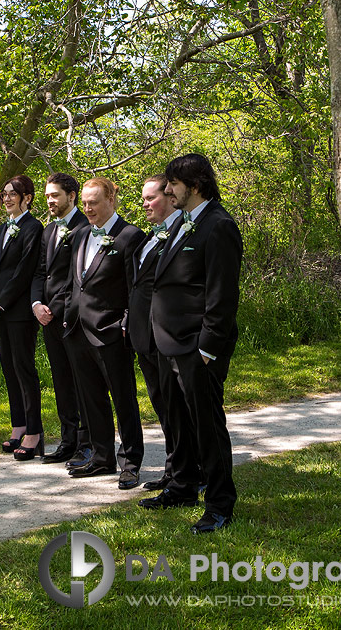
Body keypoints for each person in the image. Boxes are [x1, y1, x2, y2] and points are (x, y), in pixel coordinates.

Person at [145, 153, 242, 533]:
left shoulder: (218, 226)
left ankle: (219, 504)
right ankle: (182, 486)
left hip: (197, 348)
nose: (168, 190)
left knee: (207, 427)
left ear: (195, 185)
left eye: (173, 184)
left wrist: (206, 348)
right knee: (180, 424)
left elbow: (222, 295)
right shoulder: (187, 223)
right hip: (169, 343)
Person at [64, 176, 145, 489]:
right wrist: (68, 320)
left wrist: (124, 325)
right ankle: (101, 457)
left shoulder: (129, 236)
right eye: (84, 203)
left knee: (123, 399)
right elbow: (76, 282)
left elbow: (135, 289)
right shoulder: (81, 234)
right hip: (77, 331)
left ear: (112, 199)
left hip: (111, 333)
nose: (88, 208)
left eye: (94, 202)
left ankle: (131, 462)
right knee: (91, 398)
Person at [127, 174, 200, 494]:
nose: (144, 204)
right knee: (163, 408)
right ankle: (174, 470)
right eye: (142, 199)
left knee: (179, 409)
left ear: (171, 198)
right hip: (144, 336)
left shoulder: (182, 235)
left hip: (168, 336)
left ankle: (189, 473)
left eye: (150, 198)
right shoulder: (149, 237)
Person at [30, 173, 93, 466]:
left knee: (82, 382)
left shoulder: (85, 227)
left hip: (73, 316)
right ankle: (68, 441)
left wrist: (54, 307)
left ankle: (87, 442)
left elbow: (77, 278)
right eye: (47, 196)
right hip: (48, 317)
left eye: (55, 195)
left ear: (71, 195)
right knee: (61, 380)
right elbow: (41, 271)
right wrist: (37, 303)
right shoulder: (48, 230)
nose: (50, 201)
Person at [0, 176, 45, 458]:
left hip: (18, 312)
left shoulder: (33, 228)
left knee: (24, 369)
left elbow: (24, 272)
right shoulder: (1, 229)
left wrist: (1, 303)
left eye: (12, 194)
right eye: (4, 194)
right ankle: (18, 425)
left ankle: (35, 432)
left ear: (27, 197)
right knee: (8, 368)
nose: (6, 198)